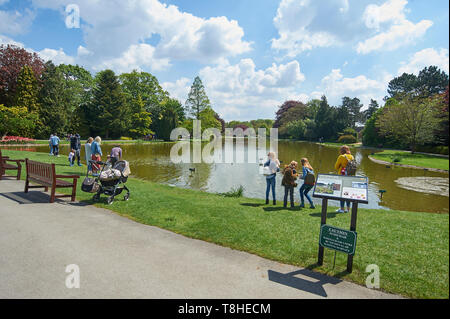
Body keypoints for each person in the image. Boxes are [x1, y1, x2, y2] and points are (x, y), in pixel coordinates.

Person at [335, 145, 354, 213]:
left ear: (341, 151)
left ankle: (342, 209)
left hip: (342, 176)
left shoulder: (341, 157)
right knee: (348, 193)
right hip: (350, 176)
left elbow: (336, 167)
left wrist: (341, 165)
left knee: (342, 193)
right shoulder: (352, 156)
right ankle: (348, 209)